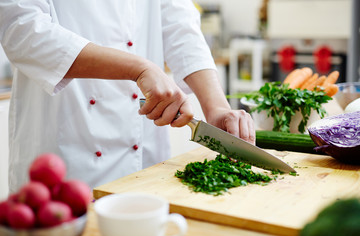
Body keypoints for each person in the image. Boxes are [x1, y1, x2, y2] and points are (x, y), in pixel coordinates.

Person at [0, 0, 255, 193]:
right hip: (67, 160)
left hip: (147, 164)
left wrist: (217, 107)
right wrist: (139, 68)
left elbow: (181, 26)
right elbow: (22, 29)